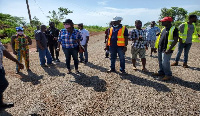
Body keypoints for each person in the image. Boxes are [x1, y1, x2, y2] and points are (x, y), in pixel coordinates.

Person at [0, 41, 24, 110]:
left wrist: (17, 62)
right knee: (4, 84)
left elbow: (5, 52)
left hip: (1, 67)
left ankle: (0, 103)